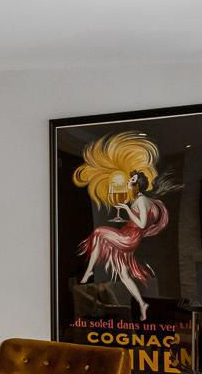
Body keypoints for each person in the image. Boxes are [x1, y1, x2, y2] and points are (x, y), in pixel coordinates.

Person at [72, 131, 173, 322]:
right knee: (123, 275)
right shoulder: (143, 200)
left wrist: (126, 209)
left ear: (137, 184)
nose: (128, 182)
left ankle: (89, 270)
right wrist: (127, 208)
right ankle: (142, 304)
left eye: (131, 180)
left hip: (130, 237)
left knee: (99, 232)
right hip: (129, 234)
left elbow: (141, 224)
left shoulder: (141, 200)